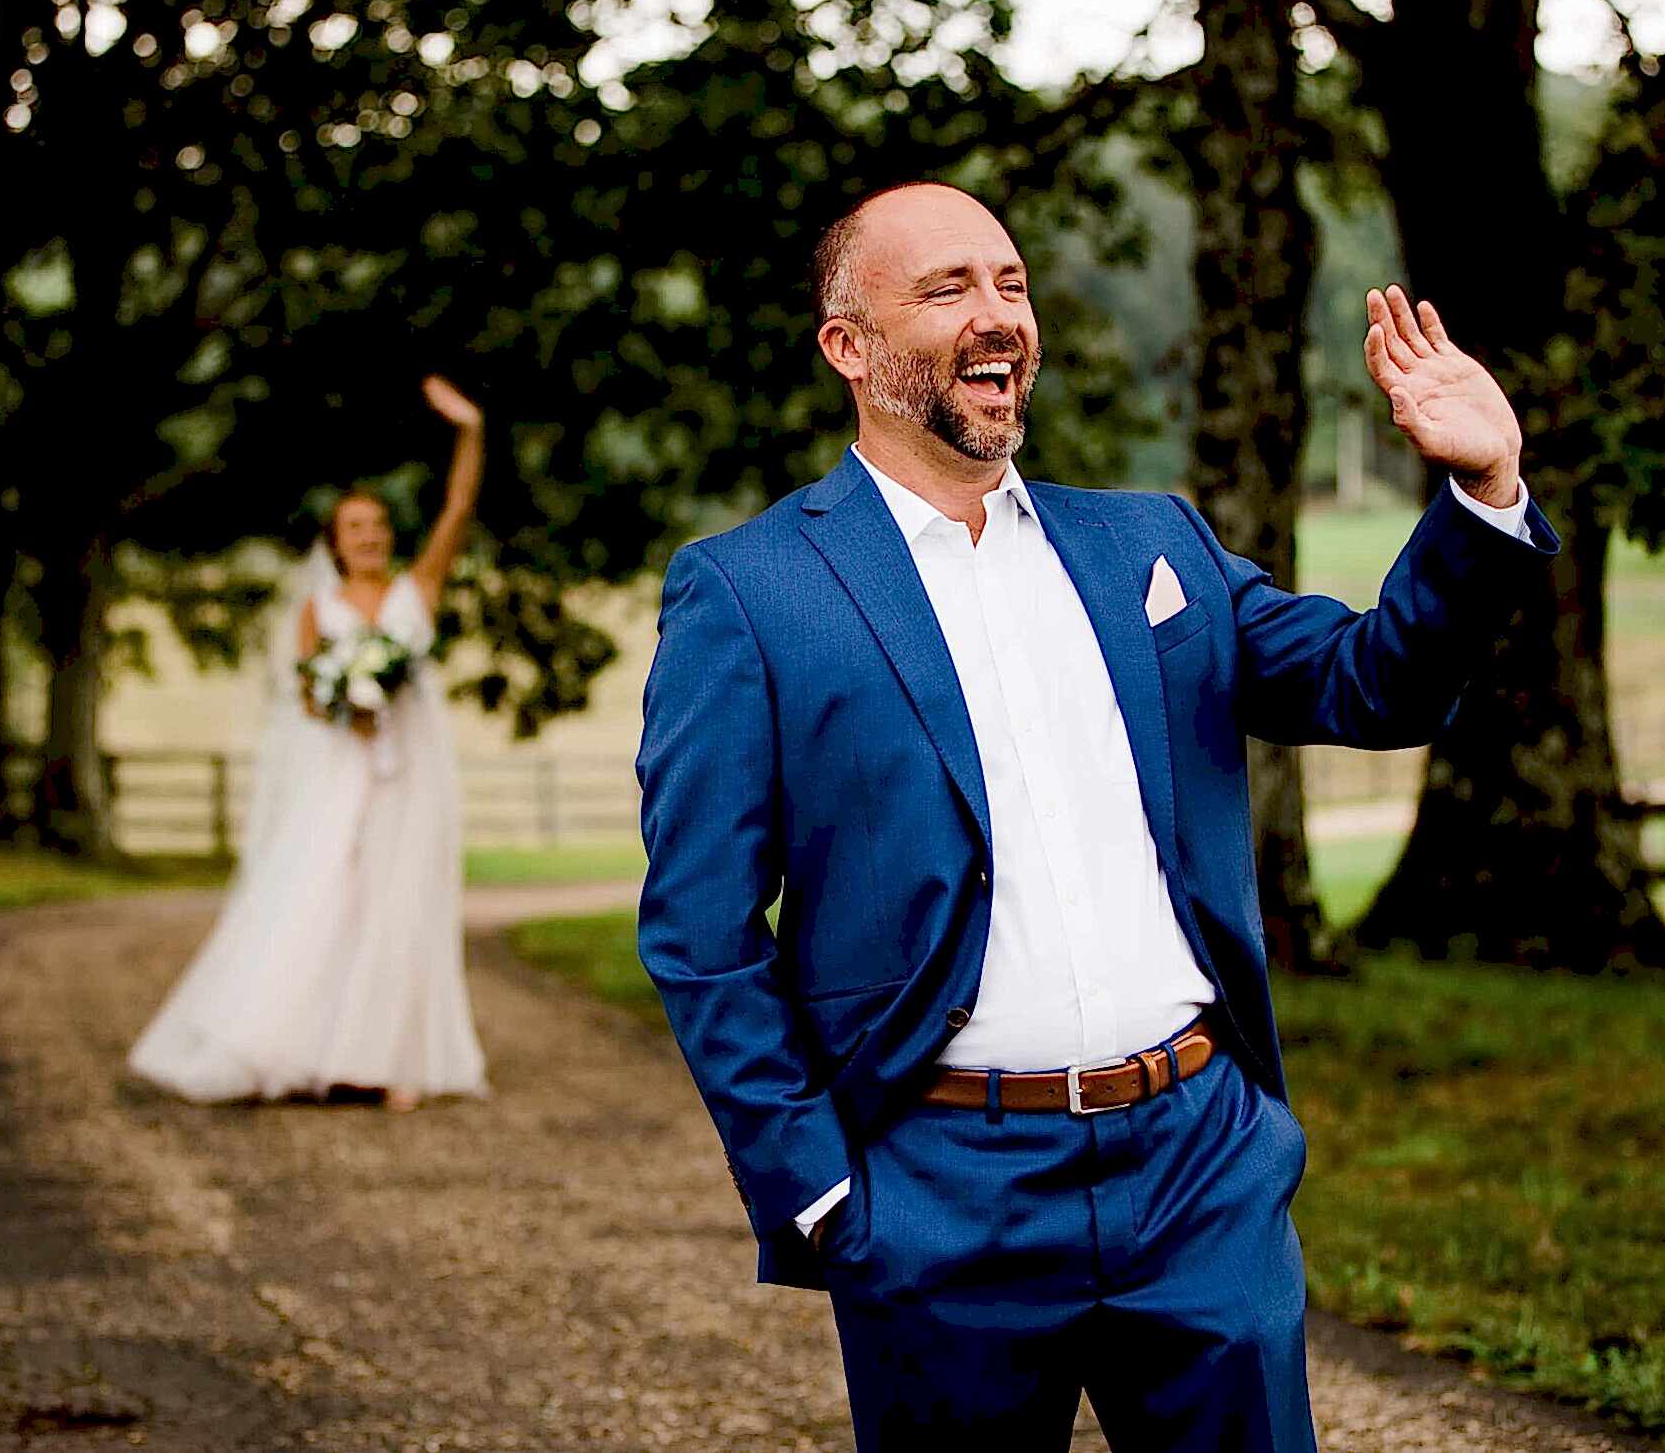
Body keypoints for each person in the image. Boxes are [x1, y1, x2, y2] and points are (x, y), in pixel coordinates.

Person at [634, 182, 1558, 1452]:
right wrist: (822, 1190)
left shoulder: (1147, 547)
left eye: (1010, 282)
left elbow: (1373, 681)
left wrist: (1484, 490)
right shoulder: (751, 591)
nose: (996, 312)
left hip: (1197, 1170)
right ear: (848, 346)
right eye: (947, 287)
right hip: (937, 1190)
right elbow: (701, 931)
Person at [130, 374, 490, 1109]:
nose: (371, 537)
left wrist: (470, 430)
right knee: (324, 895)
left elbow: (457, 507)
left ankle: (390, 1061)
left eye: (379, 526)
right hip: (340, 769)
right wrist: (343, 700)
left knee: (400, 901)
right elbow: (302, 689)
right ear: (334, 542)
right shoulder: (317, 608)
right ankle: (301, 1046)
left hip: (410, 771)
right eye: (355, 528)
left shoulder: (416, 590)